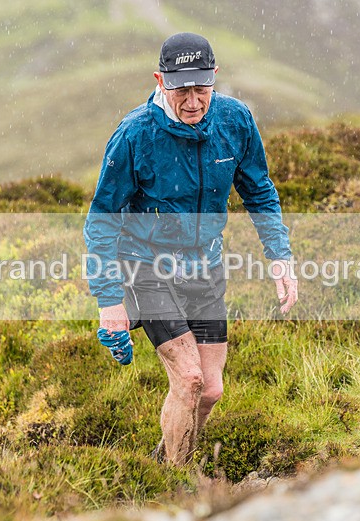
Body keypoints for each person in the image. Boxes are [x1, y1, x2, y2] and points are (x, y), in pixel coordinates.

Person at [84, 32, 298, 466]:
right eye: (182, 89)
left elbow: (259, 192)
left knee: (211, 390)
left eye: (202, 88)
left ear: (215, 77)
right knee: (189, 379)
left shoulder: (235, 121)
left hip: (206, 265)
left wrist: (280, 257)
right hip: (146, 267)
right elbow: (101, 220)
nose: (194, 102)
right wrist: (109, 300)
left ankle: (166, 463)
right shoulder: (134, 136)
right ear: (161, 81)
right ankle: (176, 488)